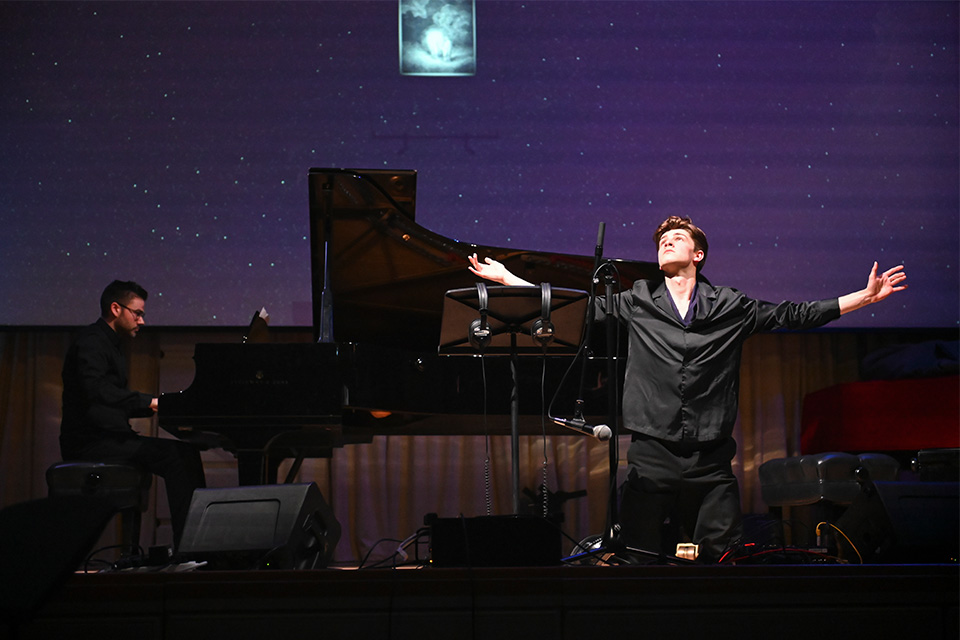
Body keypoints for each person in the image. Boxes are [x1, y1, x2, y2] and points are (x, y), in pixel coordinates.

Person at [468, 216, 907, 562]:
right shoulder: (639, 298)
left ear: (698, 255)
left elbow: (793, 314)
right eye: (662, 240)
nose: (666, 242)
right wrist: (509, 279)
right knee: (637, 554)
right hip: (651, 451)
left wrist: (863, 298)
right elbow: (576, 308)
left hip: (710, 456)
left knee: (722, 556)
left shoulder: (731, 305)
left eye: (676, 238)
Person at [60, 280, 206, 550]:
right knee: (177, 457)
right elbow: (98, 391)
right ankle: (189, 547)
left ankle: (196, 543)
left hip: (109, 437)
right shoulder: (91, 342)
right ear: (116, 309)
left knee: (186, 454)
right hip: (91, 442)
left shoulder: (110, 344)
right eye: (137, 313)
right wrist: (151, 402)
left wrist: (159, 404)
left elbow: (114, 399)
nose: (142, 321)